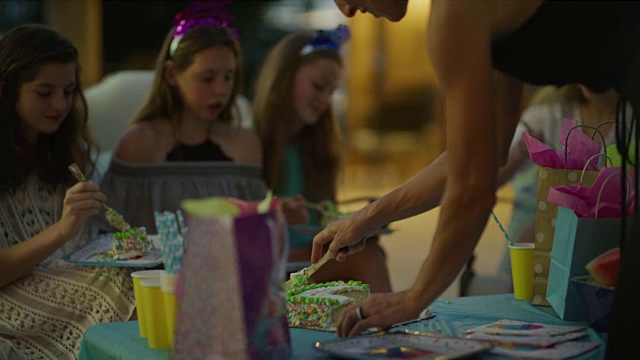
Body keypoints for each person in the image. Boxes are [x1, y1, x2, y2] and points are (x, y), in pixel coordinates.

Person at [318, 1, 640, 355]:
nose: (346, 10)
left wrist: (415, 296)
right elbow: (487, 153)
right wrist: (368, 217)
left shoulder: (455, 11)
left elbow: (473, 187)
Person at [0, 24, 135, 359]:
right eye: (44, 93)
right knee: (120, 287)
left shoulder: (64, 152)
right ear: (6, 90)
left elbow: (85, 246)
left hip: (62, 280)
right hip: (10, 301)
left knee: (146, 275)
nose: (59, 104)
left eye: (69, 91)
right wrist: (64, 228)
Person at [99, 2, 267, 232]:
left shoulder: (245, 144)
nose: (221, 90)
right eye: (207, 78)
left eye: (228, 77)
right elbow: (110, 230)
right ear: (171, 75)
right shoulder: (141, 142)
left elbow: (257, 232)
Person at [252, 25, 392, 292]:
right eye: (318, 87)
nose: (324, 100)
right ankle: (387, 326)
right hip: (268, 266)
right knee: (367, 259)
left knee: (368, 249)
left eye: (331, 91)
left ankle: (376, 324)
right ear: (284, 77)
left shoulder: (318, 148)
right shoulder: (250, 142)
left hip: (307, 257)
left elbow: (323, 218)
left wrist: (361, 220)